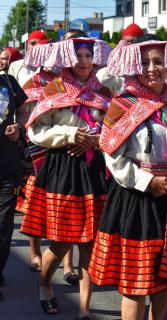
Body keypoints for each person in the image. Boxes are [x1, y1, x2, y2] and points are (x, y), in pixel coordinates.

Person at [89, 34, 167, 320]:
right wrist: (148, 181)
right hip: (136, 198)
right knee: (135, 282)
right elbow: (113, 156)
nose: (151, 68)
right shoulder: (122, 106)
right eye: (144, 63)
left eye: (158, 61)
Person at [19, 37, 112, 319]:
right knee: (61, 242)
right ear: (67, 59)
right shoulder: (54, 89)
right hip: (63, 169)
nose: (83, 60)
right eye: (78, 55)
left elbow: (116, 129)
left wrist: (96, 141)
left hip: (96, 170)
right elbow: (35, 131)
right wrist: (71, 135)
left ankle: (84, 308)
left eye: (88, 55)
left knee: (90, 242)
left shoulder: (105, 91)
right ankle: (45, 283)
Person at [0, 72, 28, 301]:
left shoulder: (8, 82)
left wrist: (18, 126)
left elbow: (22, 110)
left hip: (8, 168)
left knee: (3, 224)